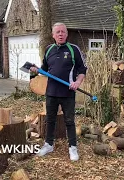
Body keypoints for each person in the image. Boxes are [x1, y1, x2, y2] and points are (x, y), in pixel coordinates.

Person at [30, 22, 87, 161]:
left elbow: (82, 69)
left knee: (69, 121)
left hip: (68, 92)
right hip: (51, 92)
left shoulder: (73, 49)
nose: (60, 34)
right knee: (50, 120)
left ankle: (72, 147)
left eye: (63, 32)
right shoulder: (49, 49)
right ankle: (49, 144)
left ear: (66, 34)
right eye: (58, 32)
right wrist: (36, 70)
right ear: (53, 35)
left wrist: (77, 82)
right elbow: (44, 69)